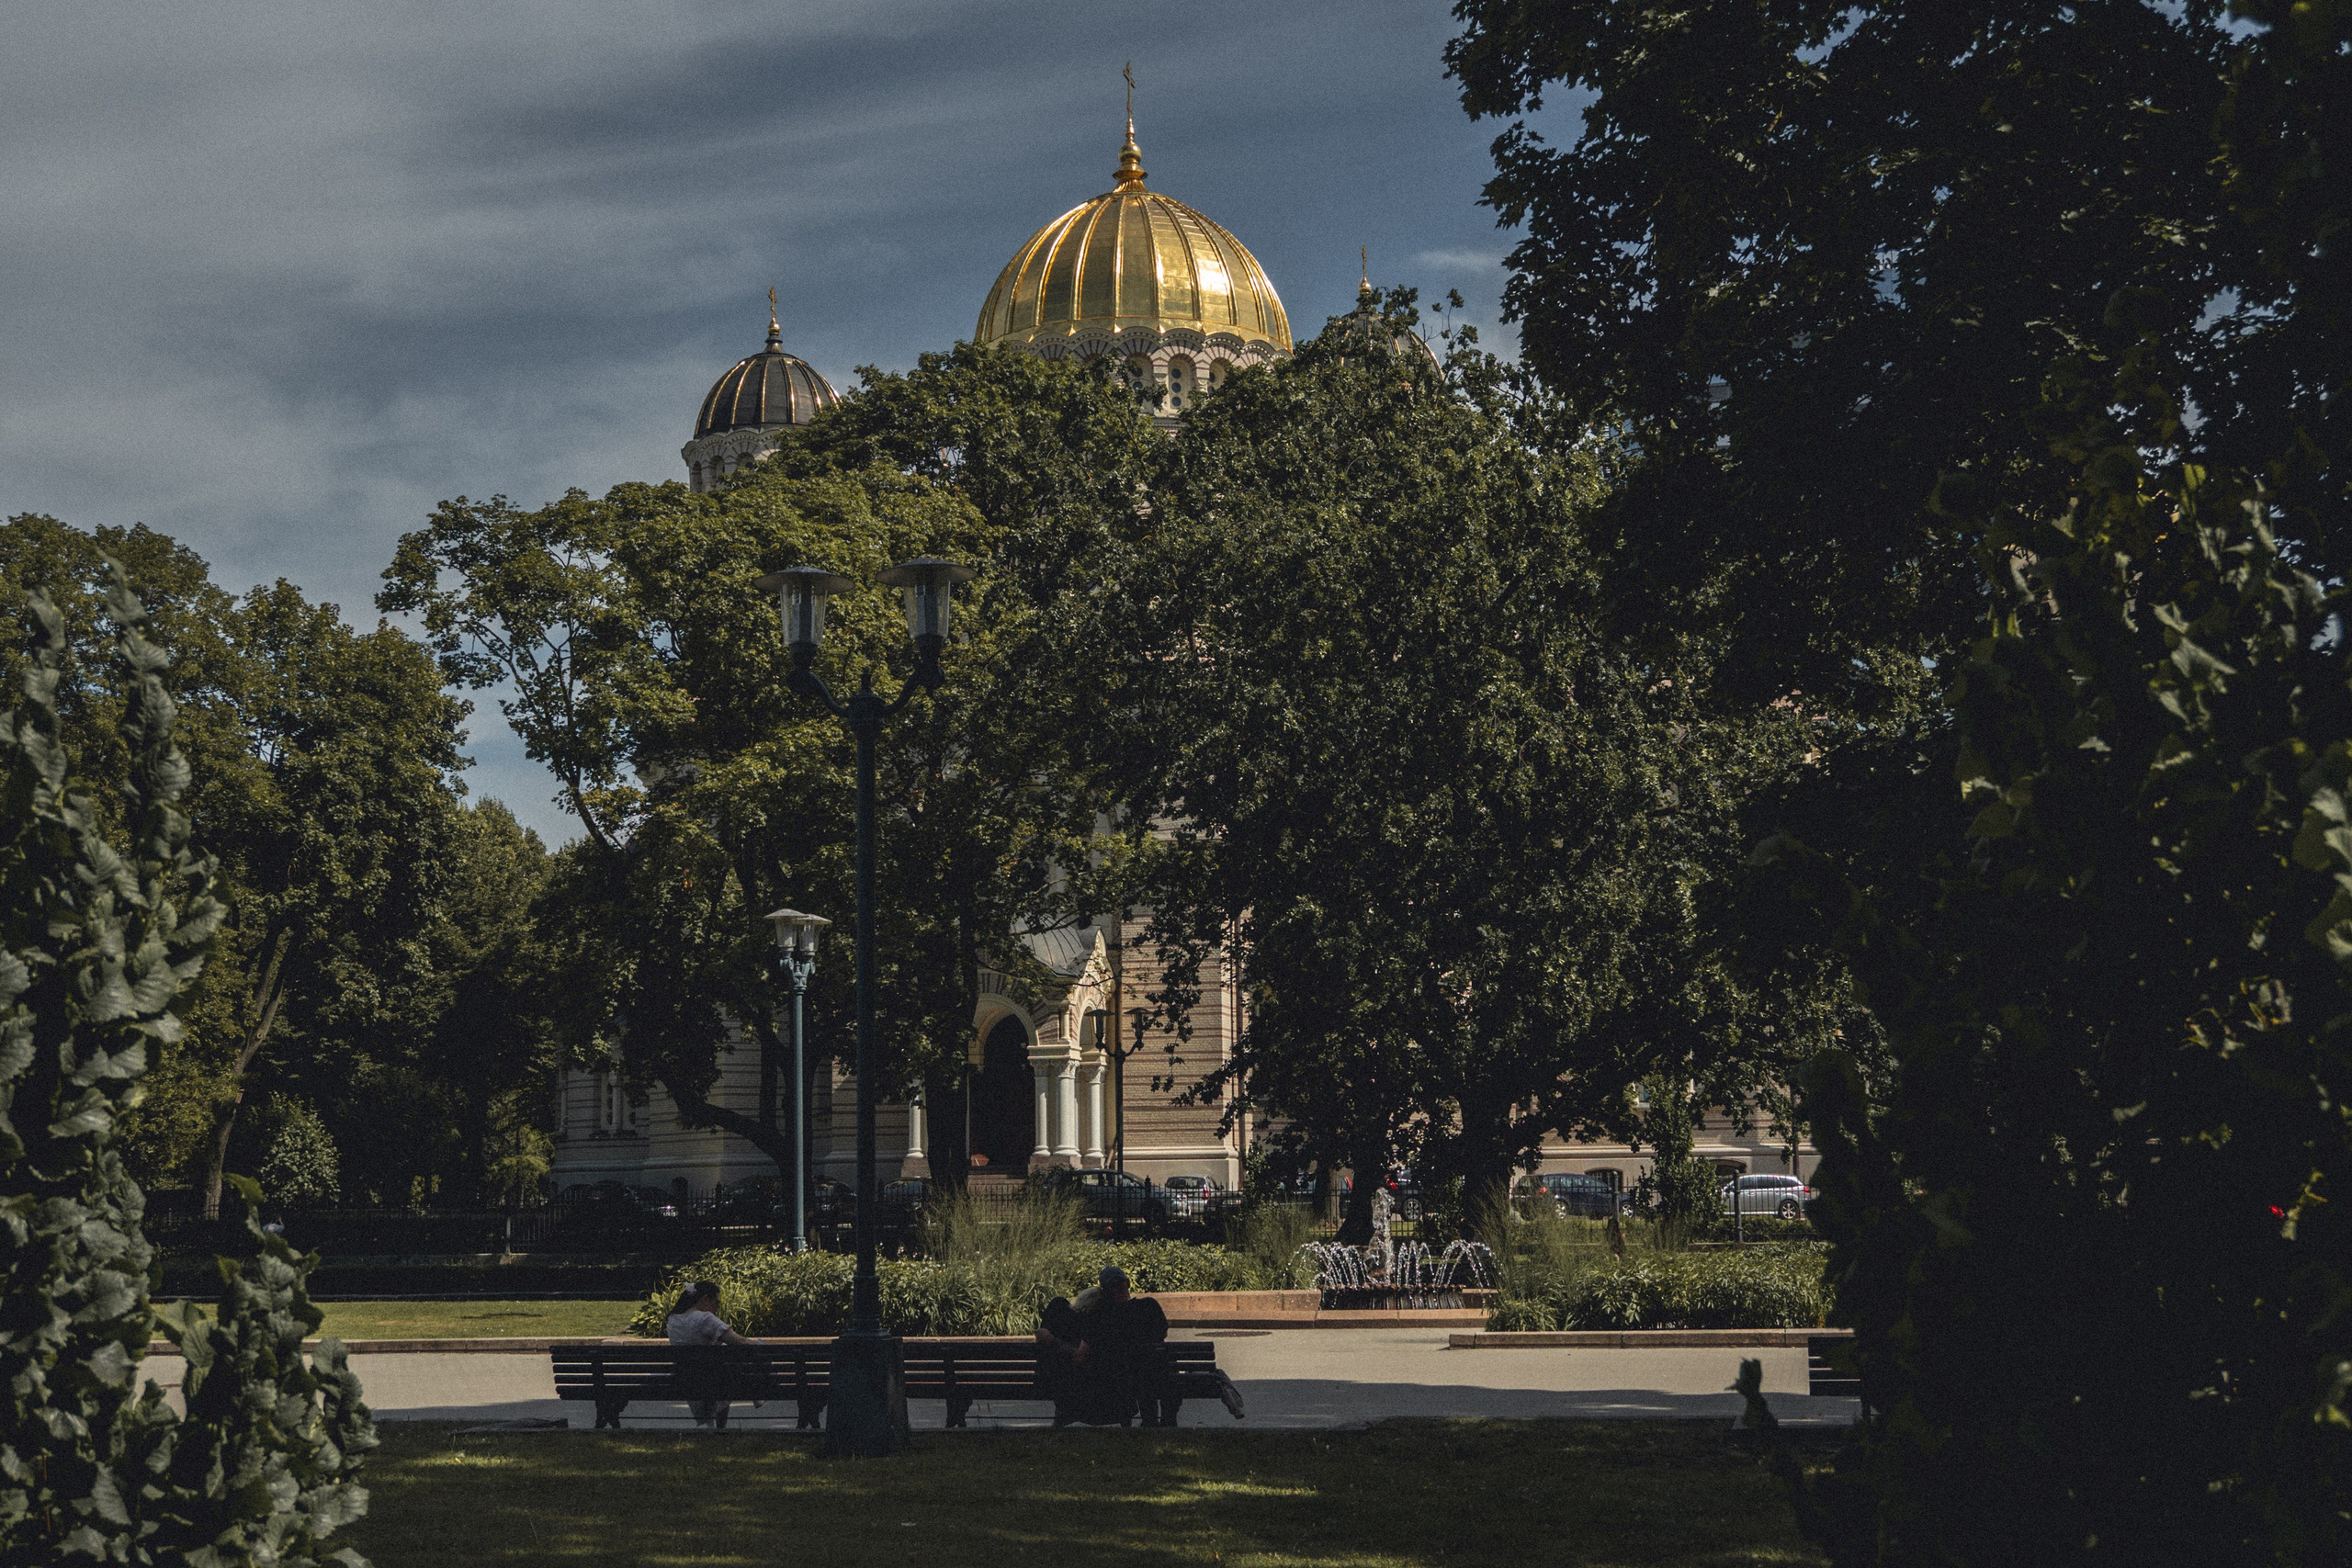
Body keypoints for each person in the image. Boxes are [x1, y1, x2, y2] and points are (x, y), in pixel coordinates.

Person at [665, 1280, 757, 1429]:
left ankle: (710, 1424)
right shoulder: (704, 1318)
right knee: (730, 1370)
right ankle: (721, 1428)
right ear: (706, 1299)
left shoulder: (673, 1319)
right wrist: (759, 1343)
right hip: (710, 1378)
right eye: (717, 1302)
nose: (717, 1308)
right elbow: (739, 1341)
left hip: (683, 1377)